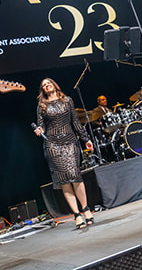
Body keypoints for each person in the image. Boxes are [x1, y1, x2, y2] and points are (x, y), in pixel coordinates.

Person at [33, 78, 95, 229]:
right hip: (52, 144)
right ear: (43, 90)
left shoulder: (67, 100)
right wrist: (40, 130)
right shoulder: (42, 105)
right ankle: (77, 215)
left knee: (75, 175)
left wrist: (85, 139)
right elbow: (41, 125)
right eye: (44, 85)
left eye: (49, 83)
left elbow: (75, 121)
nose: (47, 86)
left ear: (54, 85)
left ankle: (86, 209)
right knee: (64, 180)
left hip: (70, 141)